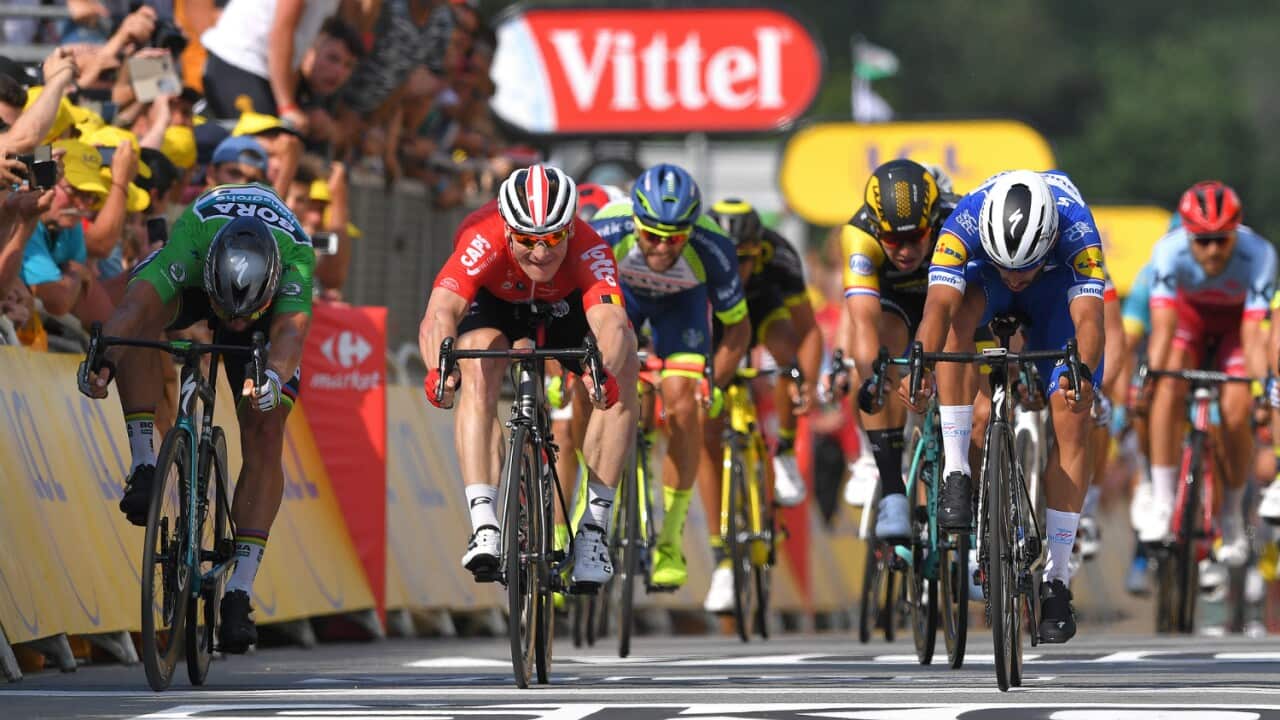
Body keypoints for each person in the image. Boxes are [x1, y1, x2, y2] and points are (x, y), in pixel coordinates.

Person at [79, 182, 316, 654]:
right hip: (197, 273)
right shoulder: (193, 241)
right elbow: (132, 309)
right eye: (228, 314)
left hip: (266, 318)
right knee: (136, 331)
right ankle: (145, 461)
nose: (232, 323)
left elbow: (288, 342)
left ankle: (240, 591)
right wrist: (102, 360)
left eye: (243, 315)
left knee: (266, 431)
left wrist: (271, 381)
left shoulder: (296, 263)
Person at [900, 169, 1107, 644]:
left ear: (1049, 239)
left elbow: (1090, 320)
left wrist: (1082, 373)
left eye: (1024, 267)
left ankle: (1056, 578)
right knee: (954, 331)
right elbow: (937, 309)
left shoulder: (1077, 229)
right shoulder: (964, 224)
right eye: (1007, 265)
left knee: (1072, 409)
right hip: (981, 285)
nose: (1015, 278)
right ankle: (957, 470)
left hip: (1056, 296)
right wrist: (921, 366)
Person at [418, 164, 639, 589]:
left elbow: (611, 320)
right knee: (478, 359)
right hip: (495, 304)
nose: (540, 252)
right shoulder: (481, 236)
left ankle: (593, 529)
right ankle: (485, 523)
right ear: (506, 228)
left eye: (554, 238)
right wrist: (439, 369)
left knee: (626, 363)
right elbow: (440, 312)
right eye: (526, 240)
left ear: (570, 229)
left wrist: (602, 370)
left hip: (565, 309)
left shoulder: (591, 249)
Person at [588, 164, 750, 591]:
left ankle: (670, 540)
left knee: (682, 403)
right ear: (635, 222)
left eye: (674, 238)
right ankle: (576, 522)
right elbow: (570, 308)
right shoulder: (607, 230)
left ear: (691, 230)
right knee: (592, 391)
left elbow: (737, 328)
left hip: (682, 311)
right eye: (652, 235)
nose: (661, 247)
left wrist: (716, 381)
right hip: (622, 303)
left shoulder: (713, 245)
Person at [1137, 182, 1274, 571]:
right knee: (1167, 382)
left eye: (1221, 239)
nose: (1212, 250)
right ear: (1187, 235)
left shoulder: (1260, 254)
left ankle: (1230, 515)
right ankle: (1163, 502)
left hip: (1235, 331)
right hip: (1189, 325)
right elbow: (1162, 327)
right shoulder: (1168, 250)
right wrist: (1150, 377)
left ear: (1237, 232)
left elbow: (1252, 335)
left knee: (1235, 409)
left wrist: (1261, 389)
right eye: (1203, 240)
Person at [833, 159, 960, 539]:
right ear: (875, 229)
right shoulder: (858, 235)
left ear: (934, 221)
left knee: (959, 348)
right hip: (893, 303)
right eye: (892, 240)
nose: (904, 250)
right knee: (879, 356)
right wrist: (874, 378)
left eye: (916, 237)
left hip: (947, 297)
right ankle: (891, 490)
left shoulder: (956, 223)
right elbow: (863, 320)